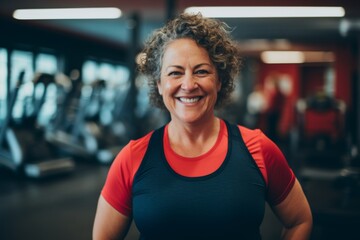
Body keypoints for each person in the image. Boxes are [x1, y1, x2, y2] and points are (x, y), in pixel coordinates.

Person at [93, 13, 312, 240]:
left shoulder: (258, 149)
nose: (188, 84)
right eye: (175, 73)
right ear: (159, 84)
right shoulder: (132, 158)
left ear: (219, 80)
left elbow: (299, 220)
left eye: (201, 71)